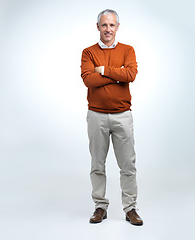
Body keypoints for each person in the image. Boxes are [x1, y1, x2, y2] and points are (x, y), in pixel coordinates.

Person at [80, 9, 143, 226]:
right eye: (104, 25)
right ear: (97, 27)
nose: (108, 29)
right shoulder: (88, 52)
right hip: (96, 115)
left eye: (112, 25)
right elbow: (89, 80)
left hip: (122, 116)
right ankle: (100, 206)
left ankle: (130, 208)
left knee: (128, 165)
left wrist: (104, 70)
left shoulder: (128, 50)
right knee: (97, 164)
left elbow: (131, 75)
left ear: (117, 27)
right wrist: (117, 75)